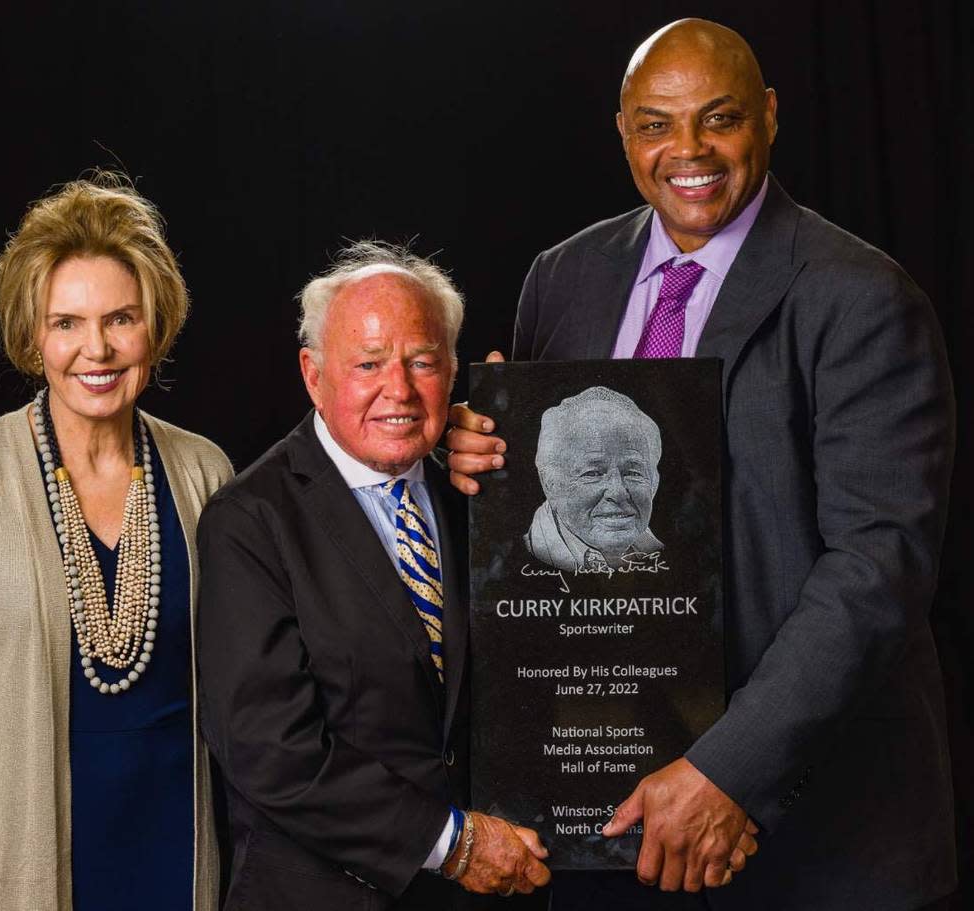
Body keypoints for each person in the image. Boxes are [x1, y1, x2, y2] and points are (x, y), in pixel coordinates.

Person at [447, 19, 956, 911]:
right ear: (622, 130)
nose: (689, 151)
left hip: (815, 839)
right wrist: (480, 455)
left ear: (766, 116)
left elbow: (878, 572)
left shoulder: (862, 297)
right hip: (608, 828)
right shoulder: (560, 280)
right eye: (656, 124)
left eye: (717, 119)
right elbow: (542, 524)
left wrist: (727, 768)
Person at [0, 173, 232, 911]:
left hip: (174, 860)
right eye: (67, 323)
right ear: (32, 333)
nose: (98, 349)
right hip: (17, 878)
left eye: (121, 318)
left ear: (155, 324)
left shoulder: (205, 472)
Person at [195, 242, 552, 909]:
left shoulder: (477, 497)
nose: (400, 389)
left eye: (422, 361)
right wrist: (456, 844)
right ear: (313, 374)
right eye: (368, 363)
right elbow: (272, 751)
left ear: (452, 371)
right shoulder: (249, 521)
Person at [526, 386, 663, 572]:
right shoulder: (519, 558)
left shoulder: (662, 553)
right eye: (593, 473)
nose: (618, 492)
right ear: (550, 484)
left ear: (654, 483)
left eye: (633, 472)